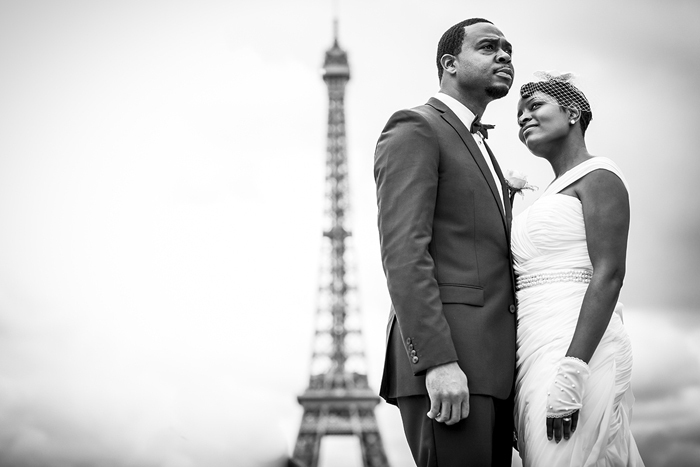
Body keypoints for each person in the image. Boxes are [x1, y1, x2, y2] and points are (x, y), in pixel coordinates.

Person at [374, 18, 517, 466]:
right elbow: (404, 253)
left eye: (509, 49)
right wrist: (437, 361)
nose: (505, 56)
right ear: (449, 64)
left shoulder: (482, 146)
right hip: (451, 364)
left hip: (492, 372)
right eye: (489, 47)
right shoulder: (415, 127)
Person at [512, 72, 645, 466]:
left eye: (535, 107)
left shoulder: (600, 175)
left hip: (575, 346)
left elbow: (609, 274)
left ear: (572, 113)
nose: (523, 119)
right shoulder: (548, 192)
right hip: (531, 346)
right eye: (519, 114)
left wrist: (572, 373)